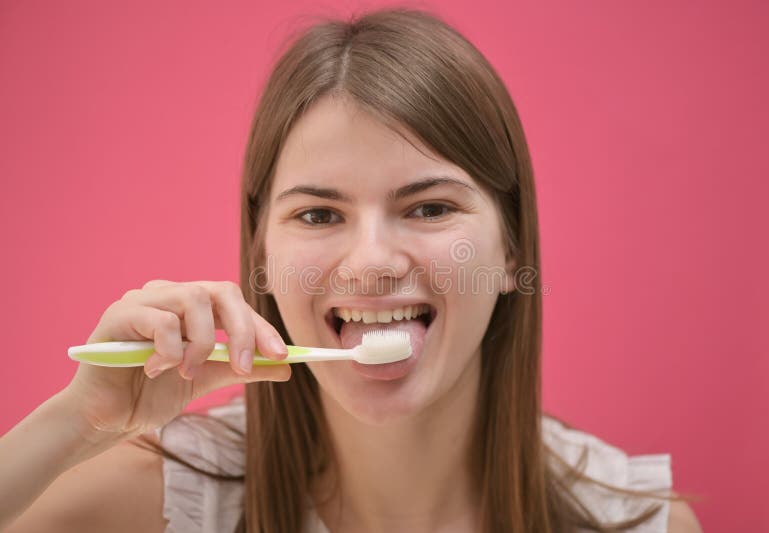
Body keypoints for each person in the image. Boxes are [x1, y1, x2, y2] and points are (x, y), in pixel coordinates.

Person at [0, 7, 703, 533]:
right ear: (262, 259)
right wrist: (78, 425)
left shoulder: (636, 521)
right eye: (318, 215)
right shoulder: (155, 500)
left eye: (429, 208)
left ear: (511, 249)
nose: (371, 263)